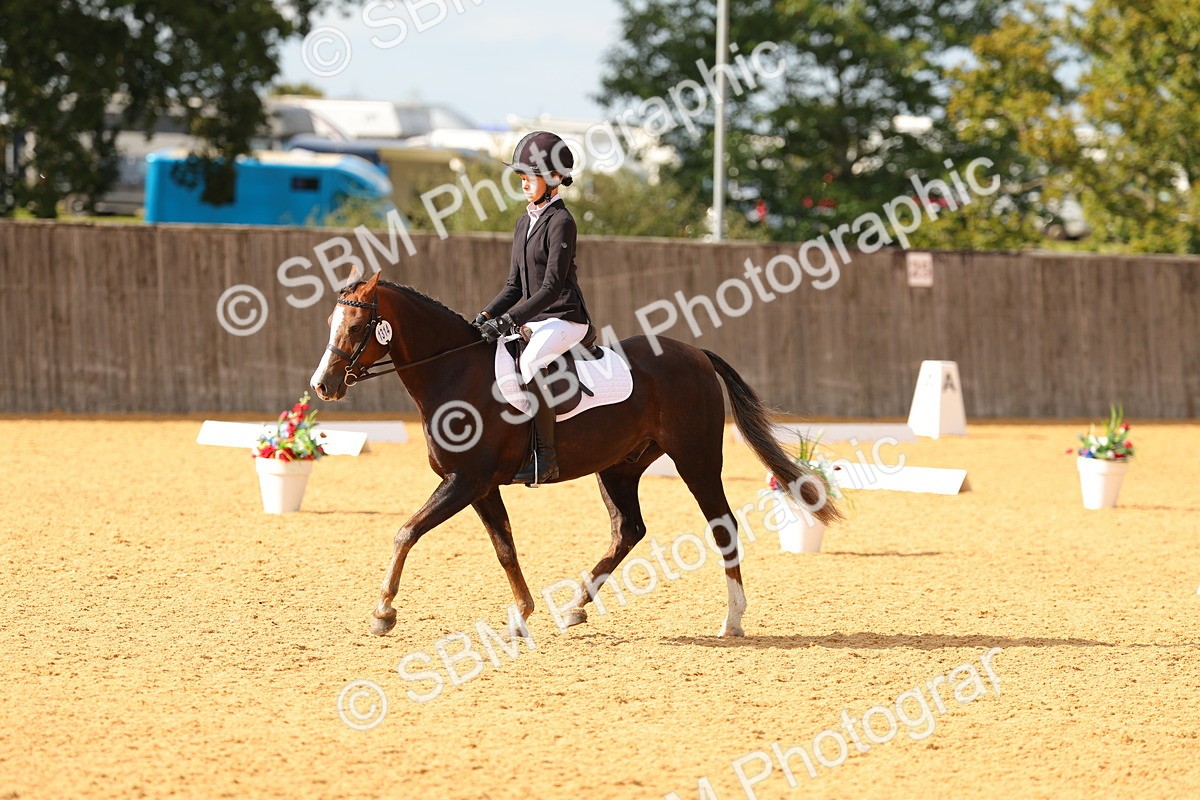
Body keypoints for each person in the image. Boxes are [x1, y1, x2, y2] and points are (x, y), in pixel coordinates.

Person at [473, 131, 593, 485]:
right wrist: (484, 317)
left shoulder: (562, 222)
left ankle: (547, 460)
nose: (525, 183)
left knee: (529, 361)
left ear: (554, 178)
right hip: (535, 319)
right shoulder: (524, 222)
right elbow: (514, 286)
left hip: (565, 317)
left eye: (531, 176)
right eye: (522, 177)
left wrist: (510, 320)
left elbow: (551, 287)